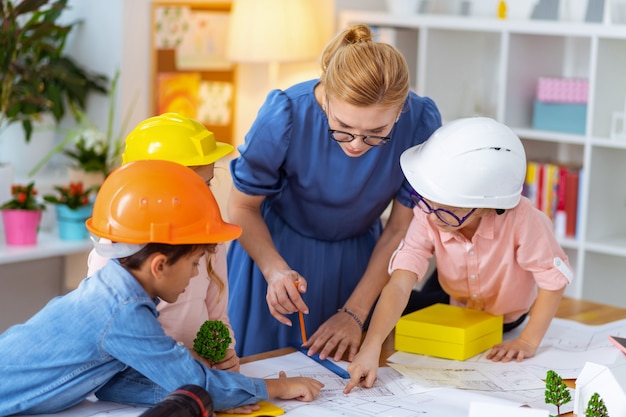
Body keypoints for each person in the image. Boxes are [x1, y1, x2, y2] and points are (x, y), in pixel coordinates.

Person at [0, 160, 323, 416]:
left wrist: (208, 398)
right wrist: (273, 388)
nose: (196, 274)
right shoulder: (122, 310)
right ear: (159, 265)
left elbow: (114, 385)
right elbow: (195, 382)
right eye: (195, 264)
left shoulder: (121, 294)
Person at [227, 23, 442, 359]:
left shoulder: (421, 123)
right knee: (261, 383)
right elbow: (241, 208)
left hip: (361, 267)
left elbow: (400, 228)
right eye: (342, 128)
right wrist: (275, 270)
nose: (357, 145)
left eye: (376, 132)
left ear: (400, 112)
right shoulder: (284, 115)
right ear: (325, 98)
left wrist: (354, 312)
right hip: (274, 258)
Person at [344, 117, 574, 393]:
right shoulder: (429, 213)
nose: (431, 214)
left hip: (504, 318)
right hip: (455, 305)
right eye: (425, 200)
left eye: (446, 211)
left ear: (487, 206)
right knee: (382, 314)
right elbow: (400, 281)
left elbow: (553, 281)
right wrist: (372, 347)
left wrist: (527, 341)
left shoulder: (524, 220)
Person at [87, 113, 241, 371]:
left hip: (196, 374)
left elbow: (217, 317)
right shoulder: (113, 251)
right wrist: (184, 359)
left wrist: (225, 354)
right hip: (137, 375)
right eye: (194, 188)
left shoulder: (211, 241)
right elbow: (112, 337)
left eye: (208, 185)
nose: (206, 200)